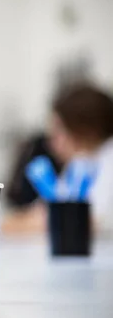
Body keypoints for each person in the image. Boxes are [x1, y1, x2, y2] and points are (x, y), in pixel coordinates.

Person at [50, 85, 113, 233]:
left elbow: (87, 221)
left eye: (59, 130)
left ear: (82, 130)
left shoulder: (108, 160)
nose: (52, 141)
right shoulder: (81, 163)